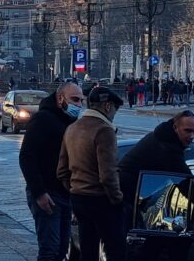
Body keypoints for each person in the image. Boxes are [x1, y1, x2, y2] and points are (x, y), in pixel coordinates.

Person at [18, 81, 84, 261]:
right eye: (75, 100)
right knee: (50, 250)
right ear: (60, 98)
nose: (78, 105)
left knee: (62, 250)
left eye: (81, 101)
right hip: (48, 194)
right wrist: (39, 192)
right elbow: (26, 156)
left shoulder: (68, 121)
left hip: (63, 194)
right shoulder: (43, 119)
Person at [57, 85, 124, 261]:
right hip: (100, 198)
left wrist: (73, 189)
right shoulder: (104, 130)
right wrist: (117, 199)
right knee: (115, 248)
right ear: (108, 106)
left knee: (87, 248)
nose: (114, 114)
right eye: (115, 109)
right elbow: (107, 174)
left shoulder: (72, 128)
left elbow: (62, 170)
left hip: (78, 197)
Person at [118, 109, 194, 223]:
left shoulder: (163, 138)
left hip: (134, 195)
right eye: (188, 131)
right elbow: (187, 184)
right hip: (124, 197)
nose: (192, 136)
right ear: (175, 128)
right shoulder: (168, 147)